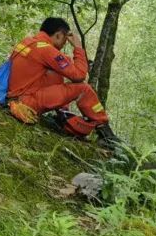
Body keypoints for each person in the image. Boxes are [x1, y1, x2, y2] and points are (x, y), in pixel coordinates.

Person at [8, 17, 120, 148]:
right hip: (27, 102)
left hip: (15, 97)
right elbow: (79, 75)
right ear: (58, 35)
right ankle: (105, 132)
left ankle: (62, 115)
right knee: (83, 88)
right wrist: (78, 47)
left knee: (55, 73)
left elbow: (58, 64)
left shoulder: (28, 42)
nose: (64, 44)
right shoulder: (46, 49)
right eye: (65, 40)